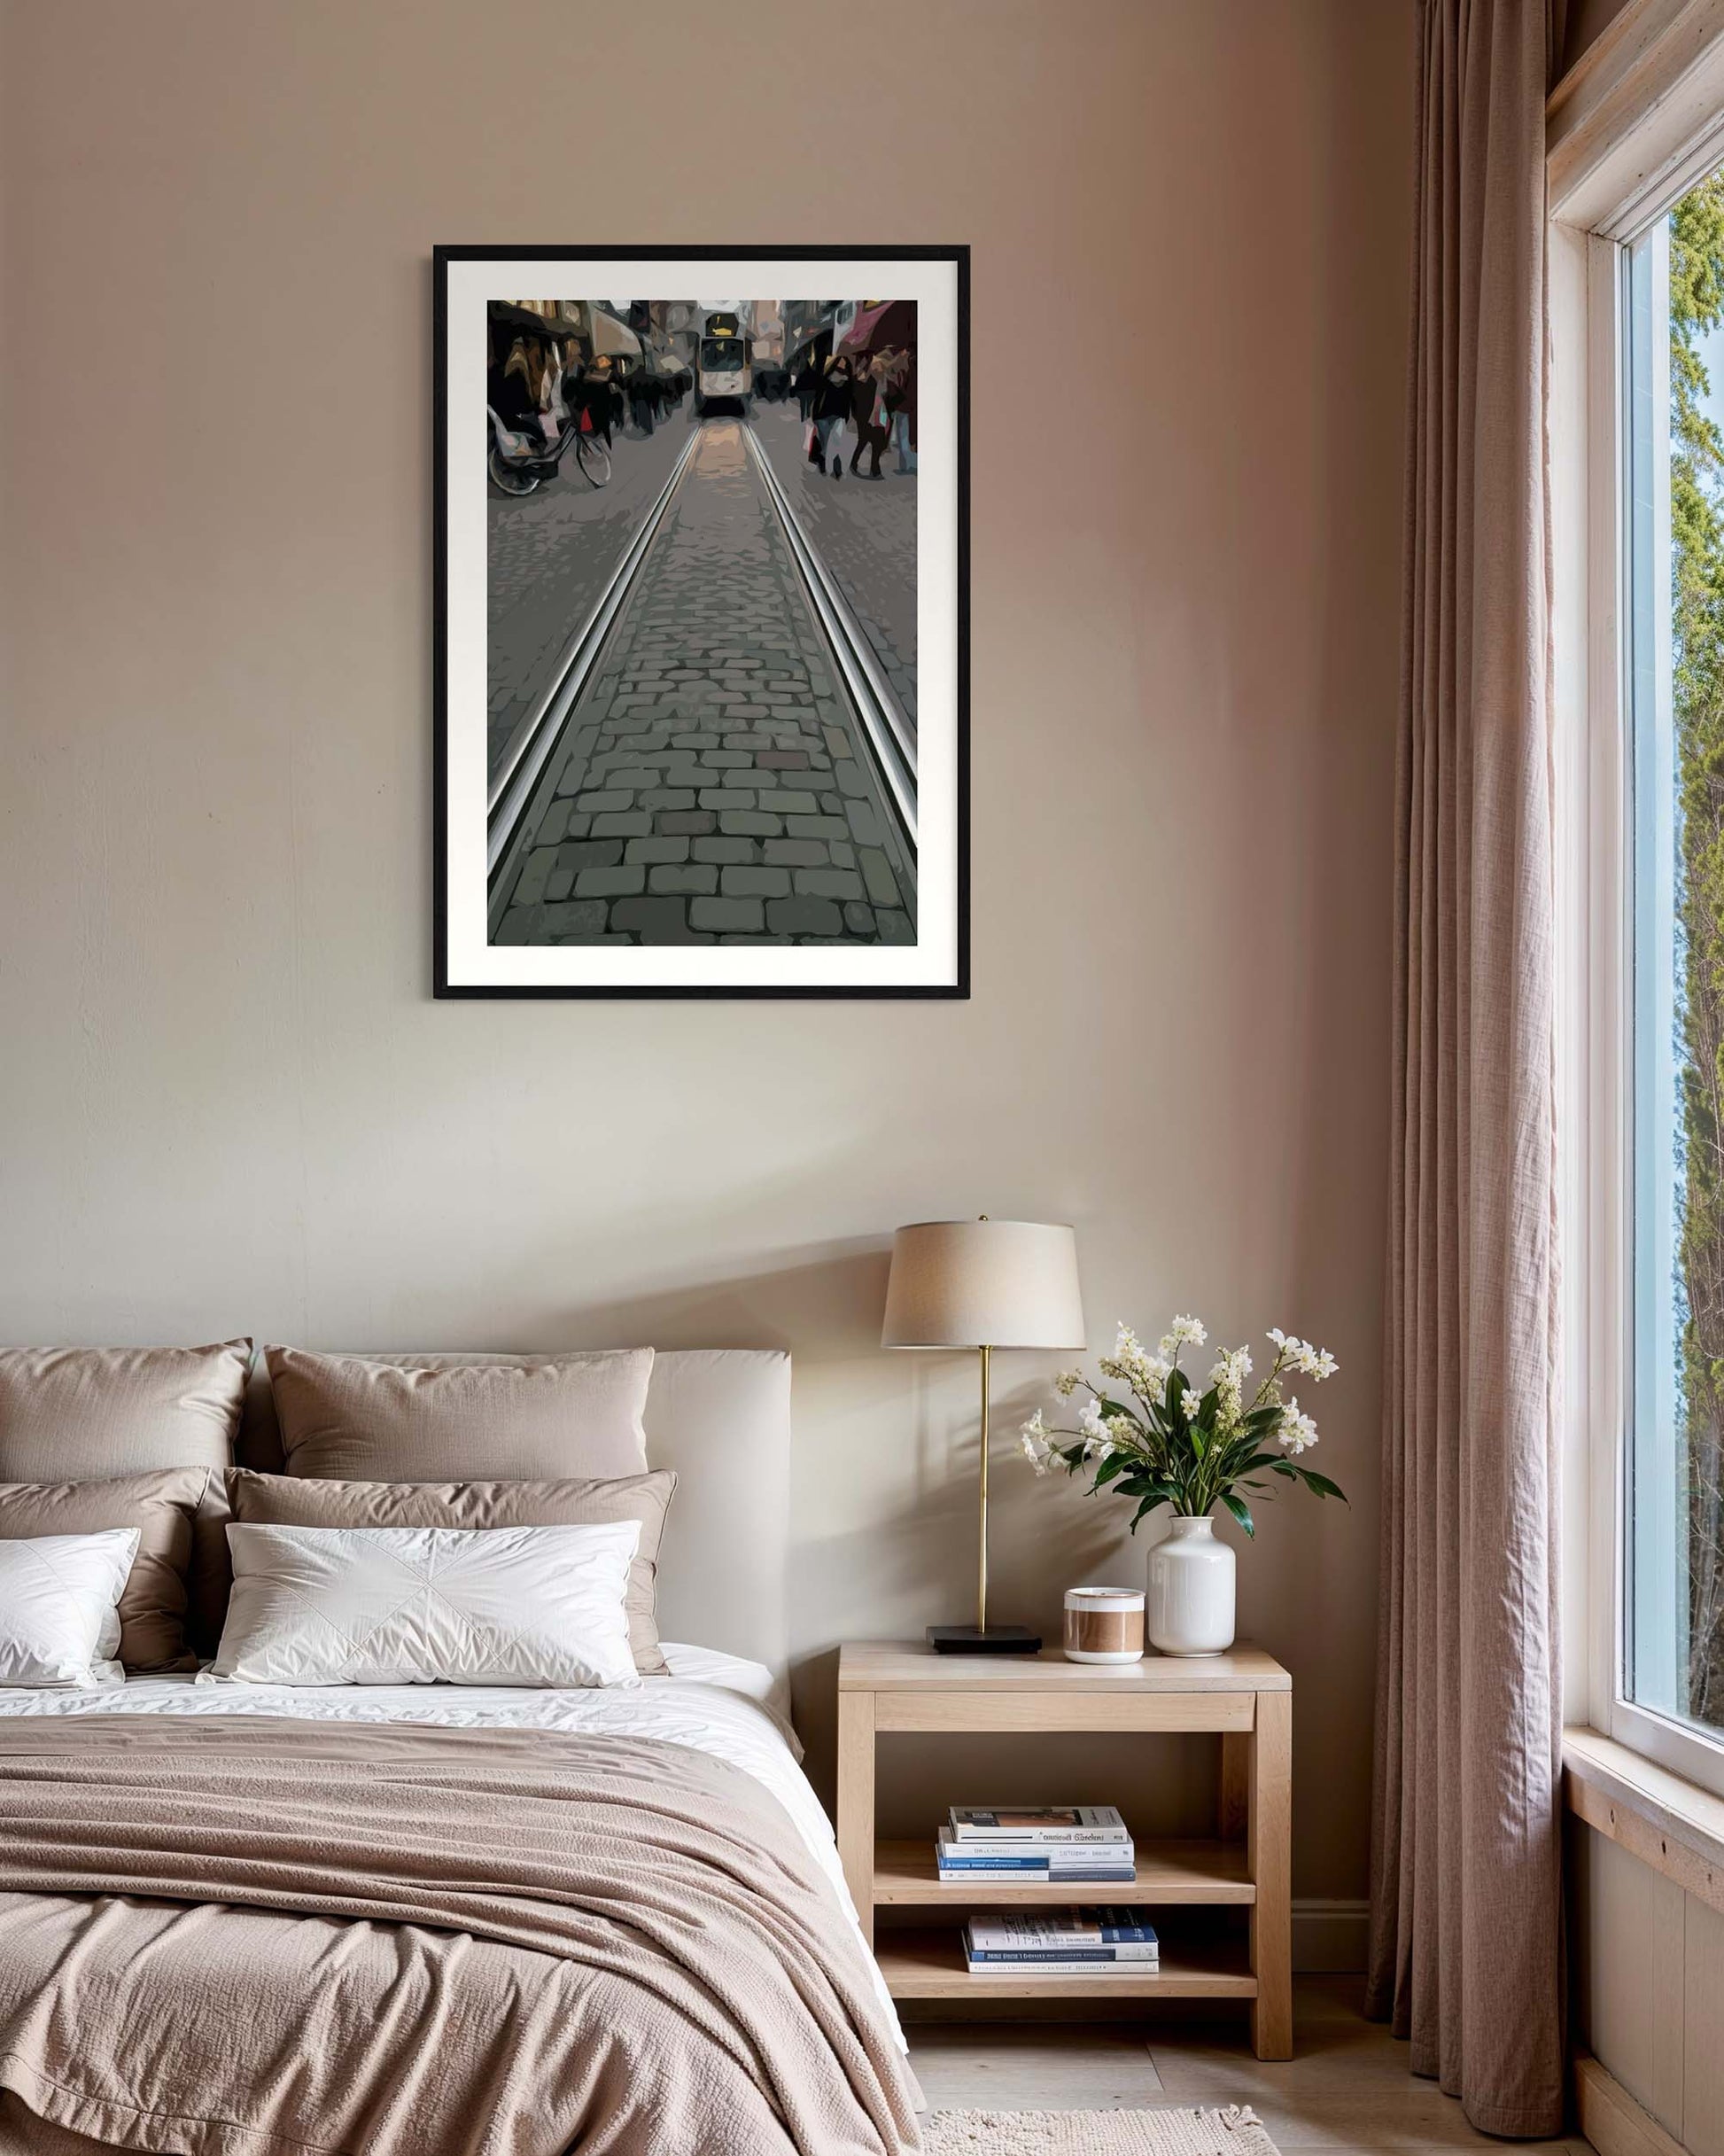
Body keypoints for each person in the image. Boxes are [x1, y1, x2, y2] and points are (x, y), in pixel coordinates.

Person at [848, 350, 887, 479]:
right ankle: (854, 464)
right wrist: (856, 415)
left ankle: (875, 470)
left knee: (876, 443)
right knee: (863, 440)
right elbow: (853, 399)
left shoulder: (877, 378)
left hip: (878, 415)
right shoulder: (859, 380)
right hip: (864, 416)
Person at [813, 354, 853, 479]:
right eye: (840, 362)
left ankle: (837, 467)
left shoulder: (848, 381)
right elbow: (818, 398)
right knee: (824, 444)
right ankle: (823, 463)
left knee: (837, 441)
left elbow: (848, 400)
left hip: (839, 415)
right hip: (824, 415)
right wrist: (815, 416)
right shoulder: (826, 378)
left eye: (845, 363)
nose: (843, 365)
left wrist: (847, 416)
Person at [881, 343, 917, 475]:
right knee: (904, 436)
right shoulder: (909, 364)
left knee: (903, 436)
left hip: (905, 405)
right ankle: (906, 465)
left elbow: (893, 375)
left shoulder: (908, 364)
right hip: (906, 405)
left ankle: (906, 466)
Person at [794, 355, 820, 424]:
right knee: (809, 405)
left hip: (802, 391)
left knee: (803, 405)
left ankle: (803, 418)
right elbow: (816, 382)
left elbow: (798, 383)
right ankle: (808, 417)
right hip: (811, 391)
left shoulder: (801, 373)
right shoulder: (812, 373)